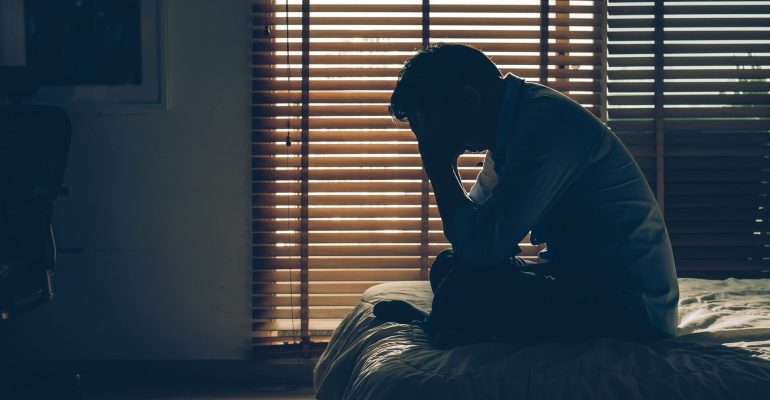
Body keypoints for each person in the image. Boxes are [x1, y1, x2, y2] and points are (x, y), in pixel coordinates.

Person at [372, 43, 679, 349]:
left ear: (469, 99)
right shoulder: (511, 127)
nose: (432, 137)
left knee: (464, 286)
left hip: (629, 312)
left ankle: (442, 324)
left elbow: (482, 248)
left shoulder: (546, 127)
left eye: (433, 124)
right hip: (578, 280)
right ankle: (443, 323)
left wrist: (438, 167)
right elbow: (471, 237)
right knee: (448, 266)